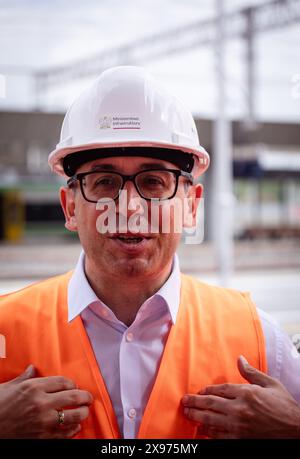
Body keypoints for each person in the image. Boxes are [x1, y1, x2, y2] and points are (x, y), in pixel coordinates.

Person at [0, 66, 300, 439]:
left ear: (191, 206)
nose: (128, 207)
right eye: (105, 181)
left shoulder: (264, 342)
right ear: (70, 207)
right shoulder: (4, 330)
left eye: (154, 181)